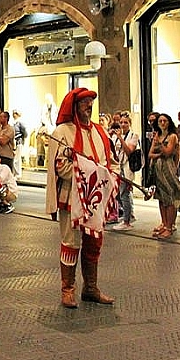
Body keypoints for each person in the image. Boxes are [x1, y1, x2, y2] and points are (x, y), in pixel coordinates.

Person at [46, 87, 117, 308]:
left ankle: (91, 288)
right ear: (75, 106)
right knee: (71, 243)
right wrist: (85, 173)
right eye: (85, 102)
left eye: (91, 102)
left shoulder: (99, 131)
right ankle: (68, 290)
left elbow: (110, 162)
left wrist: (109, 176)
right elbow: (61, 167)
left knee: (94, 243)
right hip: (71, 198)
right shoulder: (62, 132)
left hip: (95, 202)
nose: (89, 106)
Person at [148, 113, 180, 239]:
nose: (162, 123)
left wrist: (158, 146)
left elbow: (167, 152)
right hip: (158, 170)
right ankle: (164, 224)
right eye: (160, 121)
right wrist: (158, 151)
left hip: (168, 170)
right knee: (161, 197)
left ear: (169, 122)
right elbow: (150, 154)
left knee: (170, 198)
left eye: (165, 121)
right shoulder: (158, 136)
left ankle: (170, 226)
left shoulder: (172, 137)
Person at [111, 113, 140, 231]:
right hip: (117, 168)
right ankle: (127, 215)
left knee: (124, 195)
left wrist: (121, 139)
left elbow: (129, 151)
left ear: (130, 124)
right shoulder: (115, 136)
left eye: (126, 122)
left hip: (127, 168)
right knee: (117, 194)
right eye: (121, 122)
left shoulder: (134, 136)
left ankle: (127, 221)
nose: (123, 125)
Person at [12, 109, 27, 177]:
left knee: (17, 159)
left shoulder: (20, 123)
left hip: (18, 142)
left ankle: (18, 174)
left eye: (15, 113)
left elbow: (24, 133)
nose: (14, 115)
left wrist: (22, 139)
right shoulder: (14, 123)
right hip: (14, 142)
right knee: (15, 159)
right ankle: (15, 173)